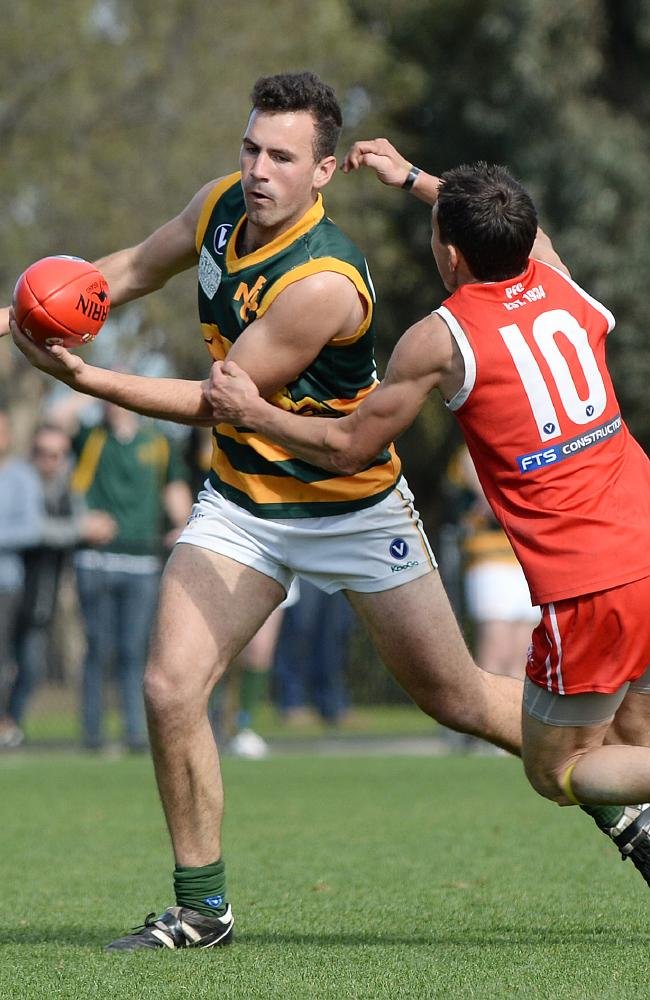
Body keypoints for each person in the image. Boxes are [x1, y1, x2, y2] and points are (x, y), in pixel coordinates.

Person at [2, 74, 639, 951]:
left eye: (282, 156)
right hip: (242, 506)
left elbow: (215, 400)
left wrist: (81, 378)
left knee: (457, 698)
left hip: (353, 506)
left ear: (325, 170)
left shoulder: (325, 280)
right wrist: (25, 313)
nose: (258, 169)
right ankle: (202, 909)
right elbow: (126, 272)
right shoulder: (217, 206)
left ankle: (621, 804)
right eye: (251, 147)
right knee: (169, 686)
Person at [203, 136, 650, 883]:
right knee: (636, 736)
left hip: (592, 583)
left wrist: (254, 409)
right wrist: (413, 178)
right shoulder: (560, 282)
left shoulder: (443, 338)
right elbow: (519, 229)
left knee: (559, 770)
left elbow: (347, 446)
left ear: (449, 254)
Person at [50, 395, 193, 752]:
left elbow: (174, 488)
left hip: (142, 561)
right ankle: (93, 734)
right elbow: (56, 414)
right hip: (96, 561)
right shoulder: (92, 437)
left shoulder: (157, 441)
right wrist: (94, 386)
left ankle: (135, 733)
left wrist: (184, 526)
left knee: (134, 651)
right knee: (98, 648)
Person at [0, 423, 115, 748]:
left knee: (31, 665)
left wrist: (95, 527)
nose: (50, 460)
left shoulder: (68, 487)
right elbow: (34, 529)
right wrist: (79, 529)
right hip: (10, 584)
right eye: (43, 453)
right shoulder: (19, 478)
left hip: (38, 591)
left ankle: (12, 725)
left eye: (58, 454)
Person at [447, 445, 539, 680]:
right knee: (495, 657)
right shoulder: (470, 453)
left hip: (528, 562)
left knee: (522, 662)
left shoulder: (530, 450)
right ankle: (486, 717)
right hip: (490, 563)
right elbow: (496, 502)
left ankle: (511, 718)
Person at [0, 408, 43, 744]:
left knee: (6, 657)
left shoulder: (22, 476)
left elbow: (31, 528)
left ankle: (5, 720)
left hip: (6, 583)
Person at [274, 580, 353, 725]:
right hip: (302, 568)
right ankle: (292, 704)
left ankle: (333, 706)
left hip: (336, 564)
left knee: (334, 633)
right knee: (299, 631)